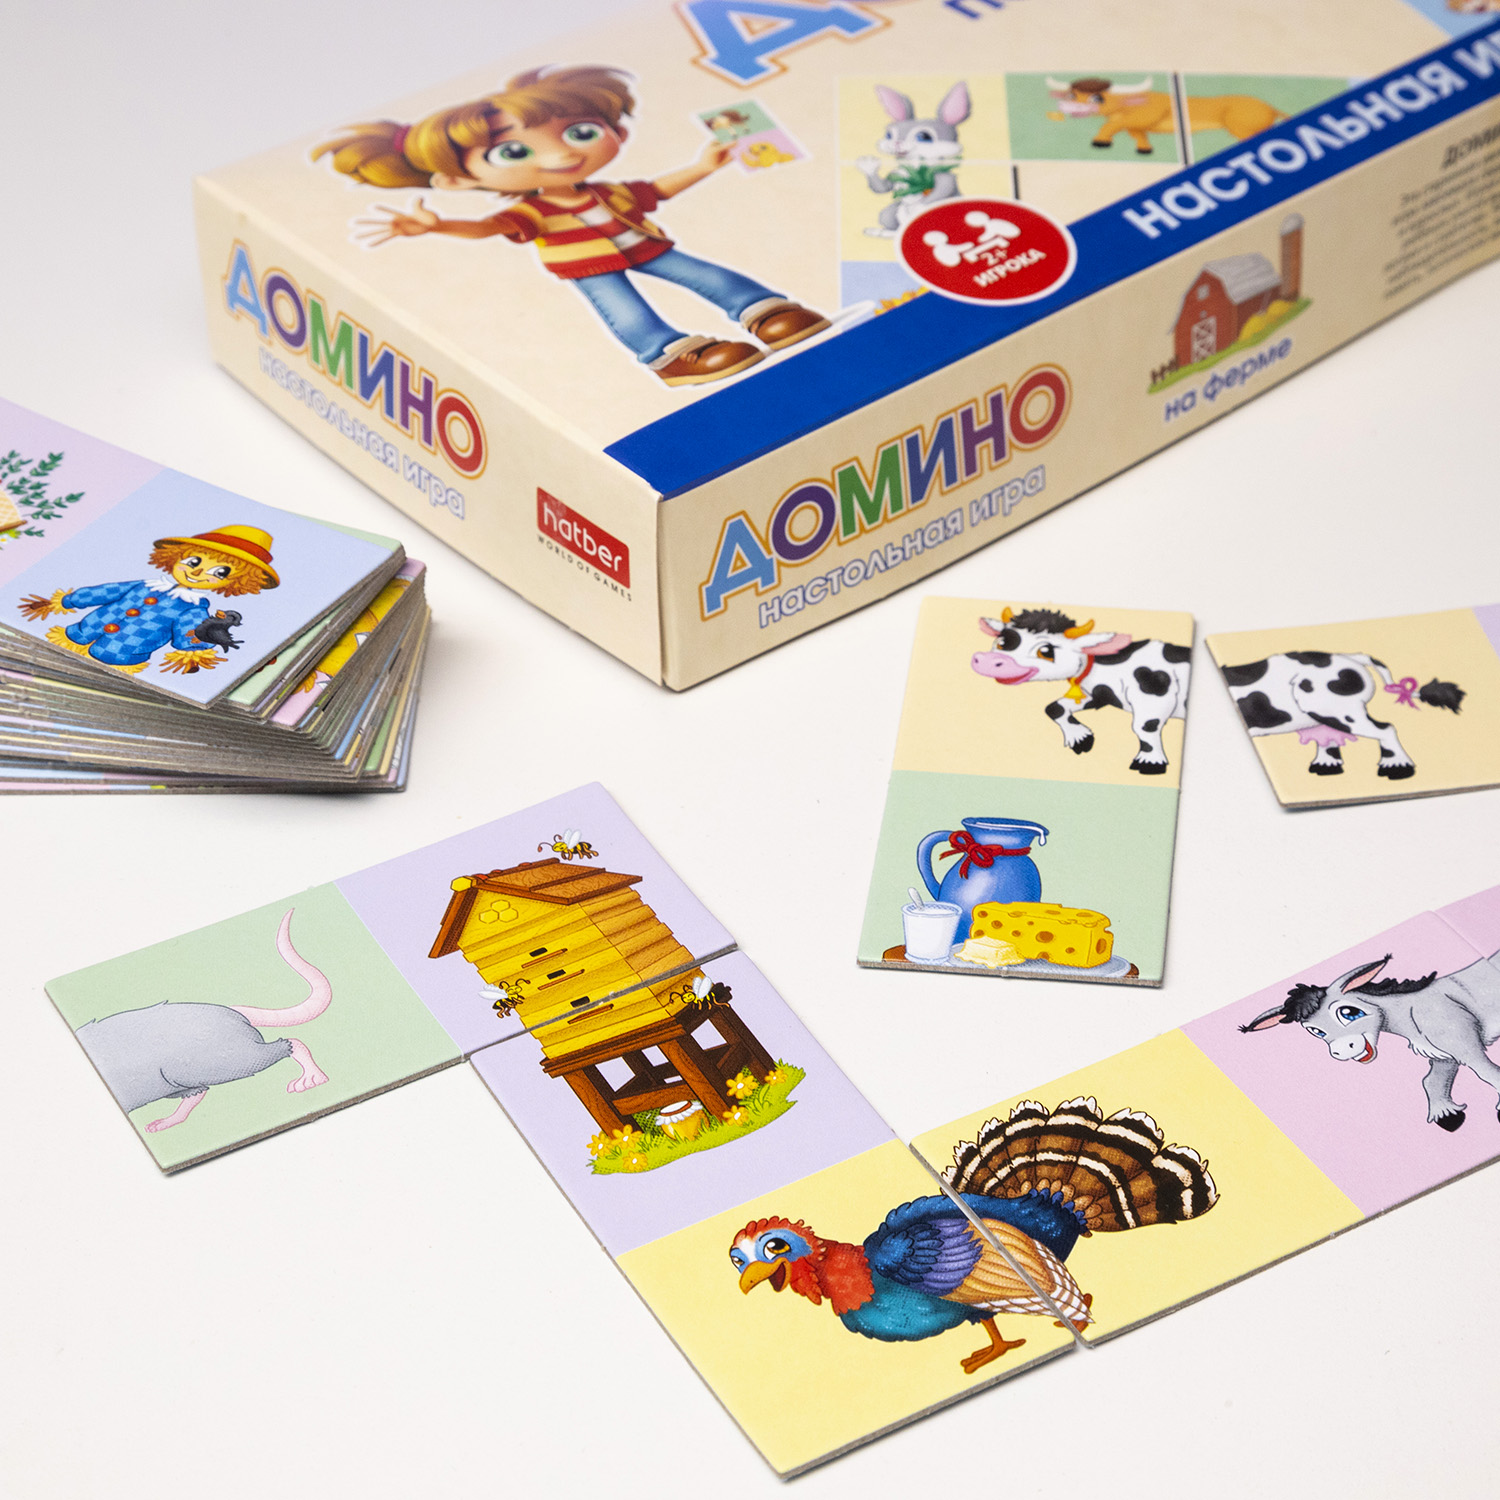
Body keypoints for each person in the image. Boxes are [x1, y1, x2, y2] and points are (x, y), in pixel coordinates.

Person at [317, 66, 829, 386]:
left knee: (707, 275)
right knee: (626, 310)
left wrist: (703, 165)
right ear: (456, 180)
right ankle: (668, 354)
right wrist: (437, 227)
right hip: (587, 265)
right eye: (512, 152)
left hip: (643, 245)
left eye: (581, 132)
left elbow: (657, 189)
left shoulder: (607, 192)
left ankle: (764, 310)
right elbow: (491, 228)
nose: (562, 155)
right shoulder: (536, 211)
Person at [17, 524, 277, 675]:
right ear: (175, 556)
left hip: (119, 657)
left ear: (237, 582)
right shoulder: (145, 585)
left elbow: (188, 634)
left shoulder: (194, 608)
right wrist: (67, 601)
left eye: (219, 572)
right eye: (193, 561)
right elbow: (106, 591)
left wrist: (195, 652)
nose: (197, 572)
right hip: (77, 634)